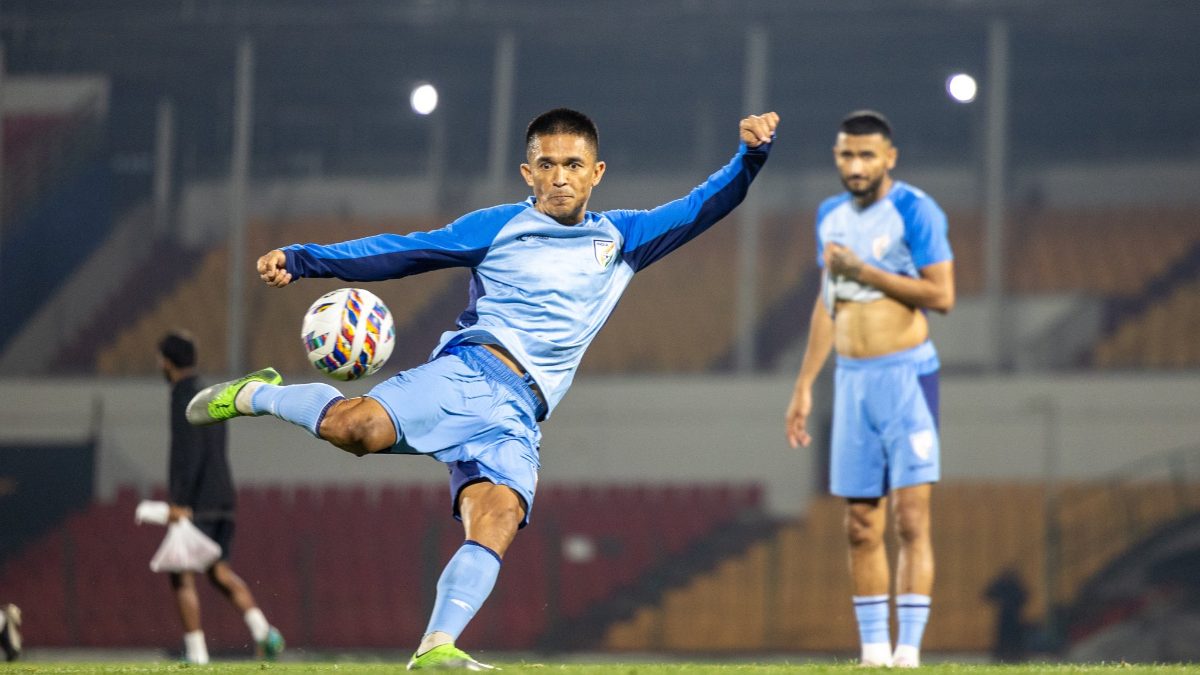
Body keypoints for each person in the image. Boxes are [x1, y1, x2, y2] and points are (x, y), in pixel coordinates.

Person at [186, 108, 778, 670]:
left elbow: (705, 206)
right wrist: (306, 259)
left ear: (597, 174)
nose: (559, 178)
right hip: (472, 373)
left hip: (523, 412)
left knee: (496, 518)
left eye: (573, 165)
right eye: (546, 164)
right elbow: (403, 251)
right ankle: (256, 394)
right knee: (356, 430)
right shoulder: (500, 226)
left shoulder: (624, 238)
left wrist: (749, 159)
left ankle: (436, 646)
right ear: (528, 172)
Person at [783, 110, 954, 668]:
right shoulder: (829, 215)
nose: (854, 166)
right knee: (859, 523)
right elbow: (828, 301)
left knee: (910, 519)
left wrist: (866, 271)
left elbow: (942, 295)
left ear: (889, 158)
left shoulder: (914, 210)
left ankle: (909, 652)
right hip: (851, 384)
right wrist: (805, 385)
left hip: (906, 377)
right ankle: (874, 654)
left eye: (865, 155)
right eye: (845, 155)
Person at [158, 332, 285, 665]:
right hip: (223, 494)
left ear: (167, 362)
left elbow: (188, 451)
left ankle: (197, 655)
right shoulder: (210, 393)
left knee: (181, 573)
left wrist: (180, 500)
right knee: (219, 572)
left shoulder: (182, 395)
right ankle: (264, 632)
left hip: (197, 499)